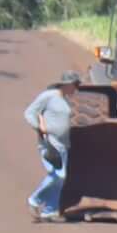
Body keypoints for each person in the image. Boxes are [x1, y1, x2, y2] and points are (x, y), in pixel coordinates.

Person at [22, 80, 73, 221]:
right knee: (58, 175)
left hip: (62, 145)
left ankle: (50, 211)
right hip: (50, 144)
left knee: (60, 179)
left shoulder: (64, 99)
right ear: (66, 84)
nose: (76, 88)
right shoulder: (48, 96)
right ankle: (35, 200)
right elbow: (29, 113)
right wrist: (39, 127)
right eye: (75, 84)